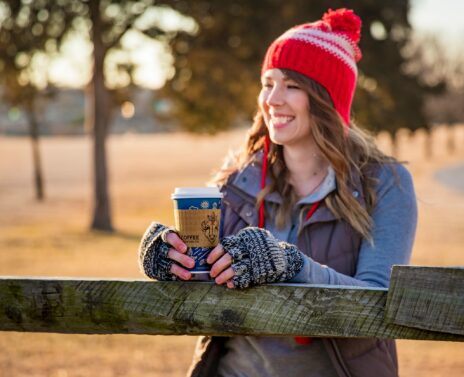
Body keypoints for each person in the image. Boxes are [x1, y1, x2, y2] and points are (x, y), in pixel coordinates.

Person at [138, 8, 417, 377]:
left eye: (292, 85)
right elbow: (202, 276)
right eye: (268, 83)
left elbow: (377, 306)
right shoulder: (235, 184)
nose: (273, 99)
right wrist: (166, 257)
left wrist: (291, 266)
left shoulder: (383, 183)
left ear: (326, 98)